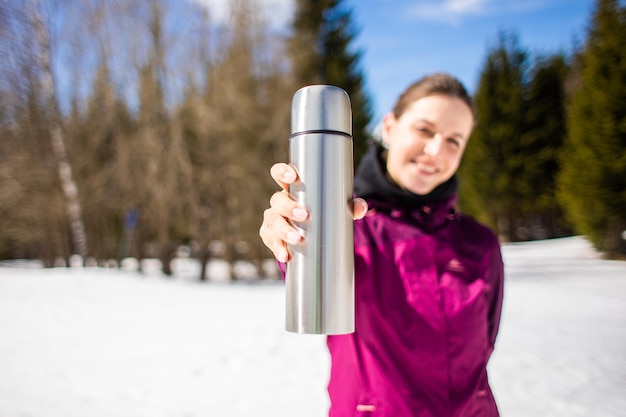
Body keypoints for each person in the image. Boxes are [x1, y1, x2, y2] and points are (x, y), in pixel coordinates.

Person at [260, 73, 504, 417]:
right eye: (424, 130)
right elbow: (310, 280)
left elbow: (485, 346)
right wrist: (291, 235)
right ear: (389, 127)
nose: (435, 150)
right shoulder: (344, 227)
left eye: (454, 141)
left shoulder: (480, 243)